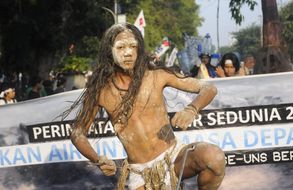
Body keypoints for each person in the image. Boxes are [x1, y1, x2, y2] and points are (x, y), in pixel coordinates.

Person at [69, 23, 225, 190]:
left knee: (213, 157)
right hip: (140, 173)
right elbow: (77, 134)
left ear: (139, 49)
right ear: (110, 51)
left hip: (173, 157)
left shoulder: (157, 75)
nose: (128, 53)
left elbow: (209, 88)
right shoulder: (101, 92)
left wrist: (192, 109)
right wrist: (97, 159)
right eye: (121, 47)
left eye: (132, 46)